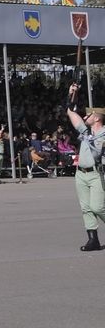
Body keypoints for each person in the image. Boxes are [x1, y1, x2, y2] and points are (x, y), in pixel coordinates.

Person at [66, 84, 105, 251]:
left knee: (97, 207)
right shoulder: (85, 131)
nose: (84, 116)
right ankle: (93, 240)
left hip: (97, 173)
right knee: (86, 208)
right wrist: (71, 94)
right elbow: (70, 112)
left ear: (96, 118)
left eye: (88, 114)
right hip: (81, 173)